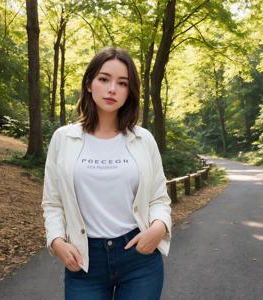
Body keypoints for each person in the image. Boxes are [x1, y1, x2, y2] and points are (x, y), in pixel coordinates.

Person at [41, 47, 172, 300]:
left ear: (129, 91)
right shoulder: (63, 139)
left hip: (139, 257)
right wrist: (57, 241)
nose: (112, 89)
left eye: (122, 83)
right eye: (104, 79)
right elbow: (52, 202)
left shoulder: (143, 140)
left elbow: (159, 199)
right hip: (85, 260)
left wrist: (158, 228)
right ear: (89, 83)